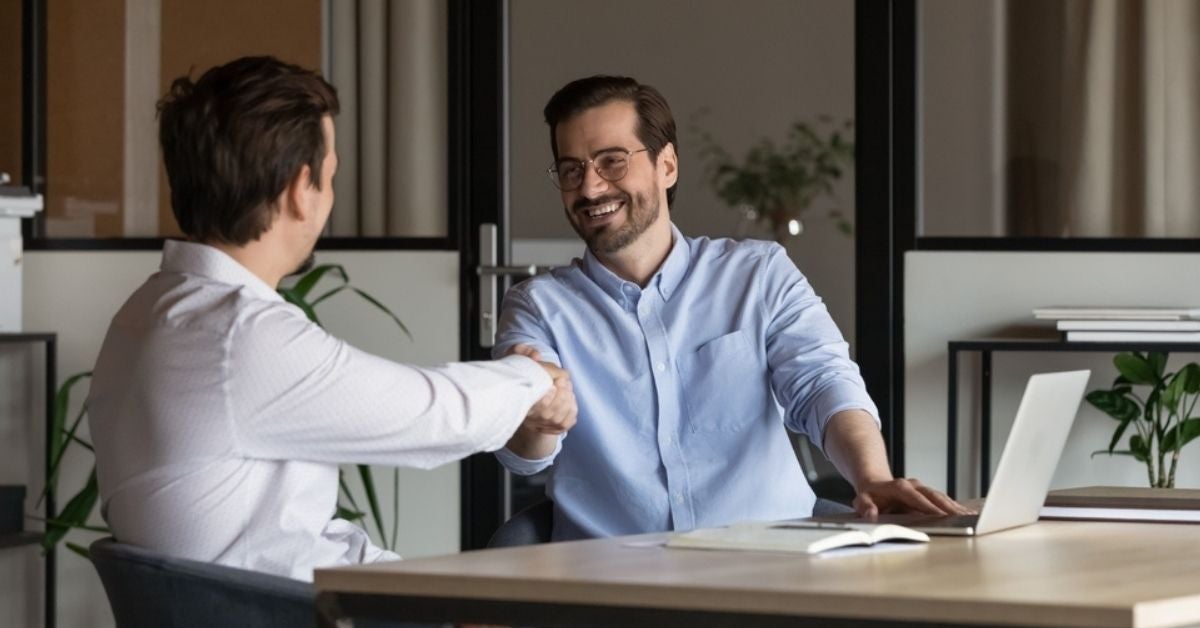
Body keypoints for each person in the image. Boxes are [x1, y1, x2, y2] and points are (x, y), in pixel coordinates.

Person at [87, 56, 576, 581]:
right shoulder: (239, 338)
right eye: (331, 176)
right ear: (302, 190)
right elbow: (428, 412)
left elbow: (286, 531)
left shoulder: (145, 313)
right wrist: (534, 380)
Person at [494, 75, 967, 541]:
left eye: (612, 162)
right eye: (572, 169)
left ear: (668, 166)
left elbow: (823, 382)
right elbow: (524, 451)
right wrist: (538, 420)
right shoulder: (538, 306)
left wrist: (872, 477)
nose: (591, 188)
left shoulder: (757, 274)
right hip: (612, 582)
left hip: (771, 567)